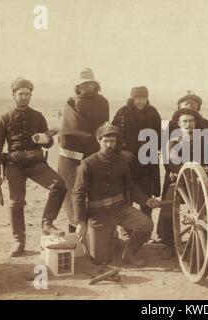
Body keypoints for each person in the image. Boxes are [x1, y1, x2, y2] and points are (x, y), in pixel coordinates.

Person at [0, 78, 67, 257]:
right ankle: (19, 241)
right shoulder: (4, 118)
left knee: (59, 185)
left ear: (30, 95)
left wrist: (46, 139)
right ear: (13, 95)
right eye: (21, 94)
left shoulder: (38, 116)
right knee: (16, 203)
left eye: (27, 94)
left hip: (36, 164)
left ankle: (47, 223)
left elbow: (48, 142)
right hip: (14, 166)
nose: (24, 97)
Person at [72, 122, 159, 266]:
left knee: (146, 224)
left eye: (112, 141)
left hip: (121, 209)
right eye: (105, 141)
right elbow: (78, 194)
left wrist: (146, 200)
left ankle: (129, 253)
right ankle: (111, 238)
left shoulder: (122, 162)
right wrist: (81, 222)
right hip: (98, 215)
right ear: (99, 141)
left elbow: (131, 188)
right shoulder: (88, 164)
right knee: (100, 260)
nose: (109, 145)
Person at [158, 108, 208, 259]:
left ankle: (199, 242)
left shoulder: (204, 142)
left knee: (204, 213)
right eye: (184, 121)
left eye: (191, 121)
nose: (188, 124)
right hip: (179, 183)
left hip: (198, 183)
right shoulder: (172, 143)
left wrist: (206, 176)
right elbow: (172, 165)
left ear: (196, 123)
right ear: (178, 124)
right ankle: (169, 244)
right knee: (166, 211)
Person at [58, 67, 109, 233]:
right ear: (78, 87)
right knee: (74, 192)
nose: (87, 87)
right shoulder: (71, 103)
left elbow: (103, 128)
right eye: (84, 84)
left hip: (95, 154)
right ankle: (74, 232)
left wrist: (100, 143)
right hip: (72, 157)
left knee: (96, 194)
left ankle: (96, 234)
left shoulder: (102, 102)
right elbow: (68, 131)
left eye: (90, 84)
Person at [112, 86, 161, 220]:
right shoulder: (122, 113)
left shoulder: (153, 112)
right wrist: (120, 151)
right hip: (128, 162)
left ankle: (146, 227)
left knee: (146, 195)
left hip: (147, 163)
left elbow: (159, 134)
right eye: (138, 99)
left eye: (143, 99)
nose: (140, 102)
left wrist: (156, 149)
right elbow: (112, 135)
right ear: (132, 99)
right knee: (126, 195)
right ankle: (127, 230)